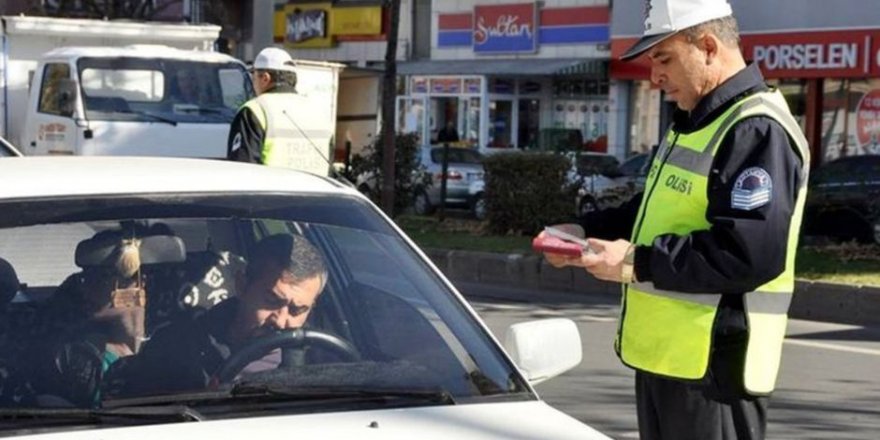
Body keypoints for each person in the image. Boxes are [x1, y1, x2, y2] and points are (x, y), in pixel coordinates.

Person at [539, 1, 810, 439]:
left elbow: (747, 254)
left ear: (708, 47)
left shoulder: (755, 129)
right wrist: (585, 231)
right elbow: (653, 211)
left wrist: (636, 262)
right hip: (672, 366)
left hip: (714, 371)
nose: (654, 76)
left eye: (663, 59)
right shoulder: (699, 121)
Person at [104, 234, 327, 397]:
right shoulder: (175, 346)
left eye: (298, 310)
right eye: (271, 301)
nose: (281, 320)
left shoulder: (325, 360)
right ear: (242, 285)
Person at [227, 47, 300, 165]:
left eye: (254, 76)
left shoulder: (255, 110)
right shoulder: (318, 110)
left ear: (265, 78)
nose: (253, 82)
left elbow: (241, 166)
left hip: (270, 178)